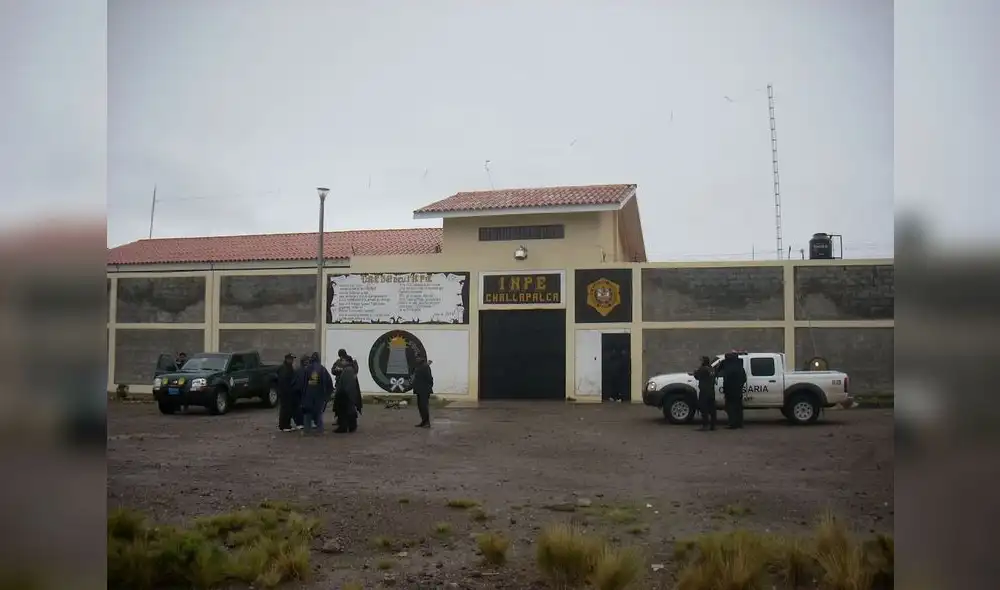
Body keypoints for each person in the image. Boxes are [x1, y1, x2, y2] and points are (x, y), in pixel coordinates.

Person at [298, 352, 334, 435]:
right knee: (318, 412)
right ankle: (319, 430)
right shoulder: (322, 369)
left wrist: (303, 394)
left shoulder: (307, 369)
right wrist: (327, 394)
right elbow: (328, 382)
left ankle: (307, 430)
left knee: (308, 413)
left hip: (308, 395)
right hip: (319, 395)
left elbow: (303, 383)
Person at [719, 352, 747, 429]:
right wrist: (739, 385)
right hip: (738, 390)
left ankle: (732, 424)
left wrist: (726, 388)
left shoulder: (728, 367)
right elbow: (744, 378)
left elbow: (726, 378)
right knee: (738, 407)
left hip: (730, 391)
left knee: (730, 408)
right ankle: (739, 423)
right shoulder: (739, 366)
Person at [276, 353, 304, 432]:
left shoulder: (288, 367)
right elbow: (284, 381)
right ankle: (284, 425)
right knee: (285, 409)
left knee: (289, 408)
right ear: (287, 359)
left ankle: (287, 425)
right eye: (291, 359)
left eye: (293, 359)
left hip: (288, 392)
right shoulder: (285, 369)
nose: (292, 360)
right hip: (286, 392)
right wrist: (288, 391)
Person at [333, 364, 362, 433]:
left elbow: (343, 385)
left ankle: (343, 427)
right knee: (351, 411)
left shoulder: (346, 371)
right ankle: (352, 426)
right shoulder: (351, 372)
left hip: (344, 395)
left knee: (343, 412)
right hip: (351, 395)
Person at [693, 356, 717, 431]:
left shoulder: (703, 369)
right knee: (712, 409)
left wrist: (695, 371)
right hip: (711, 391)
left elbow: (697, 376)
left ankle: (705, 425)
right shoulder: (712, 369)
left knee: (704, 409)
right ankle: (713, 425)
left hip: (704, 391)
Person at [410, 354, 434, 428]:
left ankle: (427, 422)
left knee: (424, 407)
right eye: (416, 358)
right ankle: (423, 421)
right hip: (419, 390)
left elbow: (429, 379)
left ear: (421, 359)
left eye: (418, 358)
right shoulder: (419, 366)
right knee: (420, 407)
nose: (416, 359)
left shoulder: (425, 367)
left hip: (424, 390)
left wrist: (427, 387)